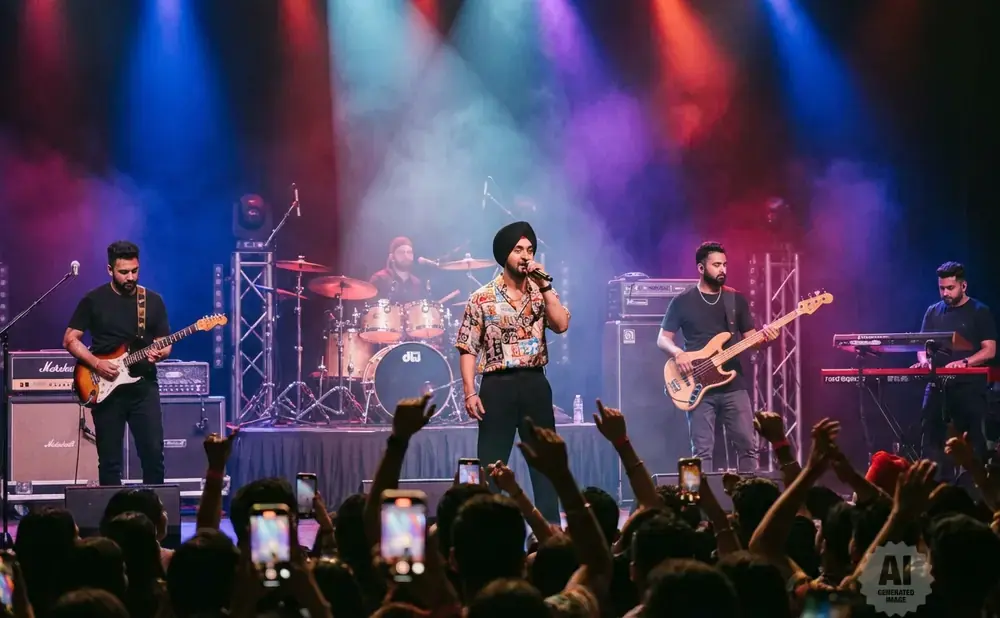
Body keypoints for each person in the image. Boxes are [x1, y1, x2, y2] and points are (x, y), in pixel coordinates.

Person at [454, 221, 570, 522]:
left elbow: (561, 325)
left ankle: (551, 531)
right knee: (492, 464)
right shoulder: (482, 297)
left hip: (534, 383)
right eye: (518, 249)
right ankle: (487, 526)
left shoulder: (541, 292)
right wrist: (469, 392)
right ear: (505, 254)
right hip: (497, 385)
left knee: (544, 462)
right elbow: (468, 347)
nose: (525, 255)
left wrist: (545, 286)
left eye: (530, 249)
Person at [656, 241, 777, 472]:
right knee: (701, 451)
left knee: (748, 446)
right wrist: (678, 353)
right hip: (697, 386)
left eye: (725, 265)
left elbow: (752, 341)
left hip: (733, 384)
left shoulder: (736, 300)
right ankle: (703, 505)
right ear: (701, 268)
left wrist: (767, 337)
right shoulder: (682, 301)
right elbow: (662, 339)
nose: (723, 269)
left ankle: (749, 498)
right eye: (716, 265)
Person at [63, 240, 169, 485]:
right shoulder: (93, 300)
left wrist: (160, 353)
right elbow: (70, 339)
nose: (130, 277)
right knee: (110, 461)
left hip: (143, 388)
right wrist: (96, 364)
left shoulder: (152, 301)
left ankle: (153, 517)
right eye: (123, 272)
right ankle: (113, 519)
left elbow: (165, 341)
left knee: (153, 455)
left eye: (134, 271)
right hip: (106, 388)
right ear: (109, 270)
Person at [912, 261, 996, 471]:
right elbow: (922, 347)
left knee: (973, 443)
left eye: (950, 288)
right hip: (937, 386)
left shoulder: (979, 311)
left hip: (968, 388)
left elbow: (990, 350)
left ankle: (975, 492)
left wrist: (965, 362)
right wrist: (924, 362)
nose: (945, 293)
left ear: (963, 286)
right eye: (942, 288)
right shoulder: (933, 312)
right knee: (930, 439)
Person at [369, 236, 425, 304]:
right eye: (401, 252)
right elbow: (371, 310)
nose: (406, 256)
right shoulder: (379, 279)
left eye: (409, 252)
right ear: (392, 257)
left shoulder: (416, 283)